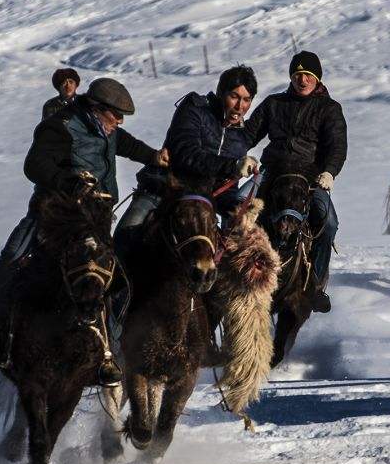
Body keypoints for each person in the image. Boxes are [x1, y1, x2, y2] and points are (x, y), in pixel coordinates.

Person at [0, 77, 167, 386]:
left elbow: (125, 143)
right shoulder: (62, 126)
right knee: (11, 261)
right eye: (115, 115)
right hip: (52, 217)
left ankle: (109, 353)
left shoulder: (105, 130)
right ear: (96, 108)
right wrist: (68, 182)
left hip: (95, 221)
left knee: (116, 282)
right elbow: (34, 165)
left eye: (122, 118)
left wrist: (153, 157)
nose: (118, 122)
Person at [114, 65, 259, 261]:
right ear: (220, 93)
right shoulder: (195, 108)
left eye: (246, 100)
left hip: (201, 207)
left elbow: (226, 188)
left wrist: (237, 210)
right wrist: (232, 165)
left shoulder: (240, 137)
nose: (239, 106)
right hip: (162, 191)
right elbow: (186, 154)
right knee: (124, 240)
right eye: (234, 96)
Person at [245, 50, 347, 313]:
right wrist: (242, 155)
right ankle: (234, 274)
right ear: (291, 76)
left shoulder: (329, 109)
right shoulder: (274, 104)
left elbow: (337, 146)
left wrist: (329, 172)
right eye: (298, 74)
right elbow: (248, 134)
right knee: (238, 207)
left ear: (317, 78)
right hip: (272, 171)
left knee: (329, 222)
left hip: (309, 177)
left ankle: (314, 286)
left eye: (308, 75)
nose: (303, 80)